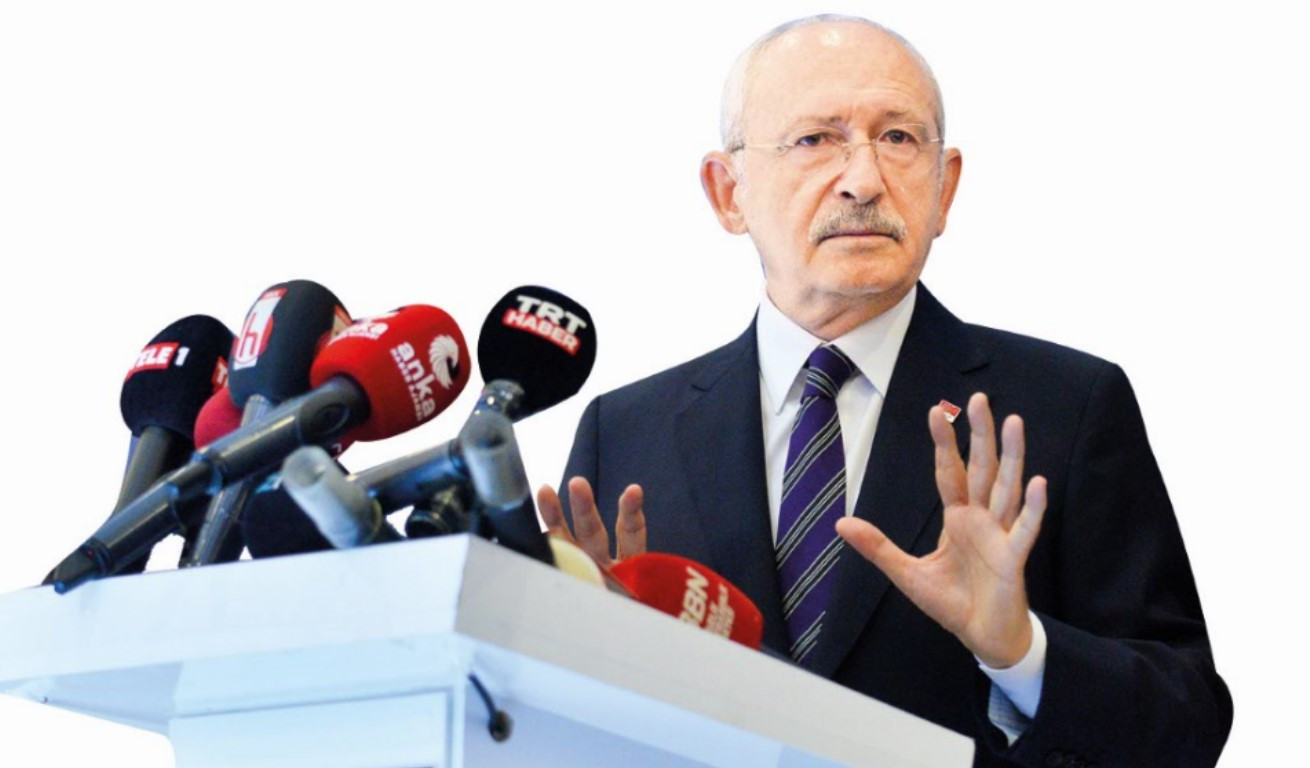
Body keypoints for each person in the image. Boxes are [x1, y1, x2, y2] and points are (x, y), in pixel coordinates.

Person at [537, 15, 1232, 767]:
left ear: (945, 187)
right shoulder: (626, 431)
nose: (864, 180)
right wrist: (584, 657)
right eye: (815, 139)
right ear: (728, 192)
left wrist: (1020, 652)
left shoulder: (1065, 408)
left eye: (898, 138)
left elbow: (1188, 723)